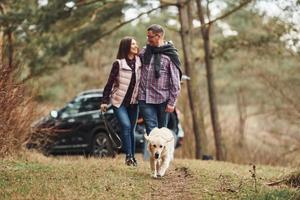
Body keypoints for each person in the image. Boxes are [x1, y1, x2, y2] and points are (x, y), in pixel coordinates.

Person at [138, 24, 182, 149]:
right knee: (152, 131)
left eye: (150, 37)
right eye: (147, 36)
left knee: (162, 131)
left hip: (163, 99)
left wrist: (172, 103)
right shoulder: (145, 51)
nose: (148, 39)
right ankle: (154, 163)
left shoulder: (170, 54)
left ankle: (163, 159)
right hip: (145, 98)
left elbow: (175, 81)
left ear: (158, 36)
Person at [100, 37, 141, 166]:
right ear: (126, 47)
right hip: (119, 102)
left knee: (132, 129)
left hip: (134, 103)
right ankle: (128, 157)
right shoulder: (118, 63)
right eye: (133, 44)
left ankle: (133, 157)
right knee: (126, 126)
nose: (136, 46)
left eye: (136, 43)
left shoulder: (140, 61)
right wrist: (104, 101)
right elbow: (110, 83)